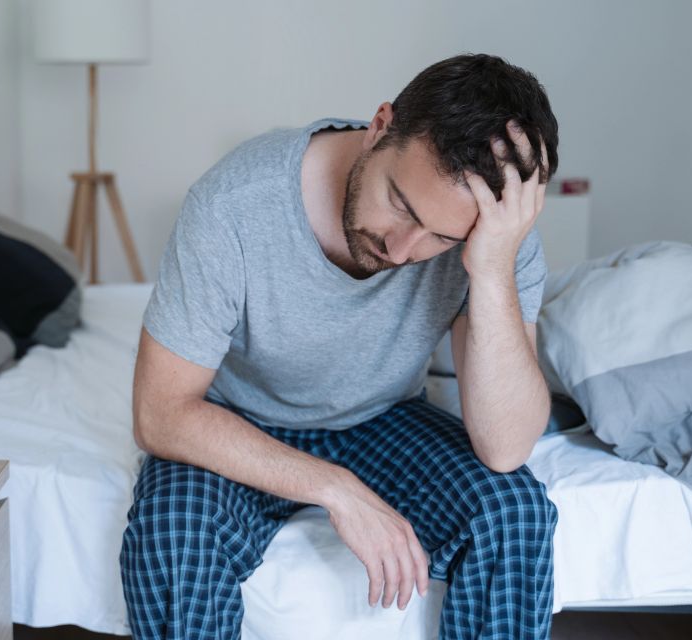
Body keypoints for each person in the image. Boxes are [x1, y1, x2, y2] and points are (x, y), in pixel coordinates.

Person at [120, 53, 560, 640]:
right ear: (380, 126)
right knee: (172, 529)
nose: (404, 250)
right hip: (236, 419)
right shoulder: (232, 205)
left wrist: (493, 265)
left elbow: (505, 449)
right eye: (402, 204)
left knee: (513, 514)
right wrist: (335, 488)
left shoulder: (496, 238)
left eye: (442, 237)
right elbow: (159, 414)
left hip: (381, 416)